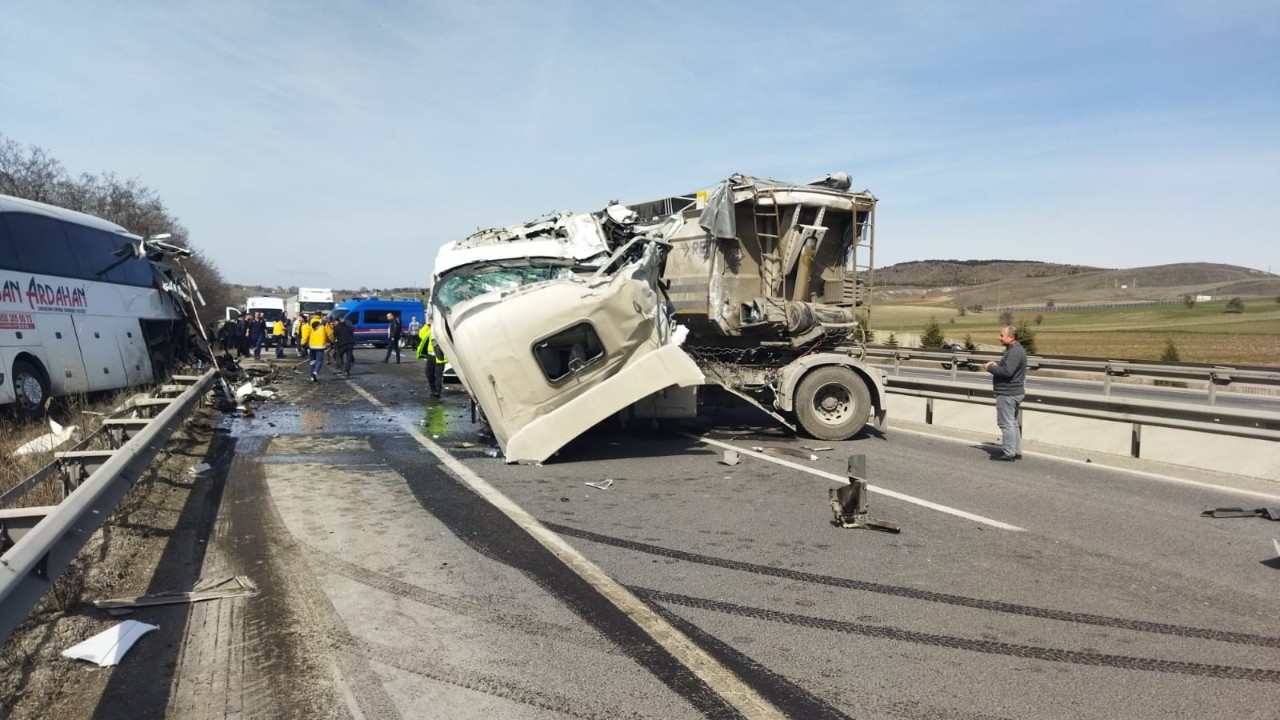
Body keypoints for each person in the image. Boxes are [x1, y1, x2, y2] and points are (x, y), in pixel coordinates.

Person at [983, 325, 1027, 461]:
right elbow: (1007, 368)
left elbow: (1007, 372)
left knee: (1006, 423)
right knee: (1012, 422)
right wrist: (996, 365)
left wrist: (990, 367)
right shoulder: (1015, 350)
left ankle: (1008, 453)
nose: (999, 337)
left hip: (1008, 393)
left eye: (1002, 335)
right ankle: (1015, 451)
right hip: (1012, 392)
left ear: (1011, 337)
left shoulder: (1015, 352)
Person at [416, 316, 447, 399]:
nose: (430, 322)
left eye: (431, 320)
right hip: (430, 355)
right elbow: (421, 334)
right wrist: (427, 325)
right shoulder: (429, 329)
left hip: (440, 355)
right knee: (429, 373)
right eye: (429, 320)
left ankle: (438, 391)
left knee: (439, 374)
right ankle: (433, 389)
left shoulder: (441, 329)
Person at [300, 313, 334, 382]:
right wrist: (332, 341)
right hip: (320, 345)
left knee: (312, 361)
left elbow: (306, 334)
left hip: (311, 345)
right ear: (320, 315)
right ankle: (315, 372)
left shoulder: (309, 322)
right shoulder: (324, 322)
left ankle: (311, 376)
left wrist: (303, 343)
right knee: (319, 360)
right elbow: (329, 333)